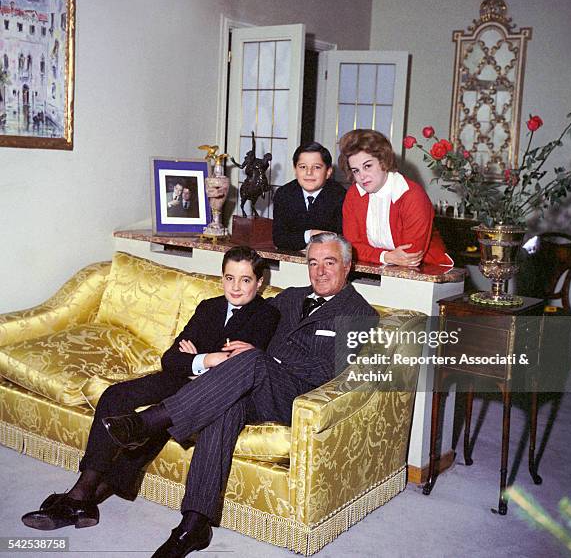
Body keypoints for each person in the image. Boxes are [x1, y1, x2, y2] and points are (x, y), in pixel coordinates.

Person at [23, 234, 377, 558]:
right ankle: (194, 525)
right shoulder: (289, 298)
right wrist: (227, 357)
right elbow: (246, 330)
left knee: (251, 358)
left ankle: (148, 422)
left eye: (329, 262)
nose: (320, 270)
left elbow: (329, 376)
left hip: (293, 394)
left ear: (347, 266)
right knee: (225, 408)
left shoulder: (361, 314)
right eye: (313, 262)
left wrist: (261, 356)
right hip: (251, 384)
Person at [21, 246, 280, 535]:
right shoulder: (209, 307)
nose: (235, 287)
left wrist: (195, 358)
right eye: (229, 277)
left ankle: (82, 497)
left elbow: (238, 368)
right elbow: (170, 359)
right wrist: (208, 358)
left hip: (212, 395)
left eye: (245, 280)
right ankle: (87, 486)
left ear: (259, 283)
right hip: (181, 376)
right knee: (114, 396)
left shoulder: (267, 315)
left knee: (166, 412)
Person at [339, 129, 453, 267]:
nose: (362, 176)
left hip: (427, 271)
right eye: (356, 170)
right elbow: (350, 248)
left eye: (367, 166)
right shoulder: (354, 194)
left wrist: (374, 255)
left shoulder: (412, 195)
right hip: (375, 268)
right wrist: (385, 256)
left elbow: (411, 256)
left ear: (383, 161)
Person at [272, 142, 346, 250]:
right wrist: (310, 234)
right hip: (290, 262)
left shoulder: (340, 196)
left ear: (328, 172)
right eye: (302, 167)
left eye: (316, 167)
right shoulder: (284, 194)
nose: (309, 172)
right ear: (295, 170)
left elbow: (340, 240)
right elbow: (279, 239)